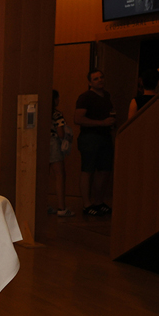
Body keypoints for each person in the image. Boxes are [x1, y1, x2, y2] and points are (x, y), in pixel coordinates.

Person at [74, 68, 116, 216]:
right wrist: (101, 123)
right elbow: (78, 119)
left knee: (104, 171)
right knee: (88, 170)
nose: (100, 80)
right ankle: (87, 204)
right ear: (90, 82)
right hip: (90, 137)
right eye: (96, 79)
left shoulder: (107, 95)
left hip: (105, 137)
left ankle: (99, 201)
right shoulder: (85, 97)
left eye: (101, 77)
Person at [47, 90, 74, 218]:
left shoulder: (42, 112)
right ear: (55, 99)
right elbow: (61, 133)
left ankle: (43, 204)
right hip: (53, 143)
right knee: (59, 175)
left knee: (43, 176)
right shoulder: (56, 114)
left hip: (42, 143)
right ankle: (61, 207)